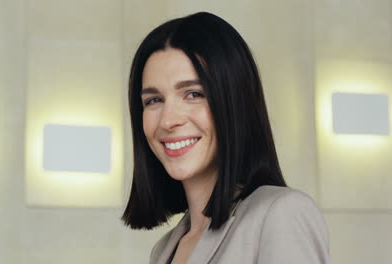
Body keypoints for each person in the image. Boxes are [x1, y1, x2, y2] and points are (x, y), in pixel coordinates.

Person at [121, 12, 329, 264]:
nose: (167, 120)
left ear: (235, 102)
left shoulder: (281, 213)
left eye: (193, 94)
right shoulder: (164, 250)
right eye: (154, 100)